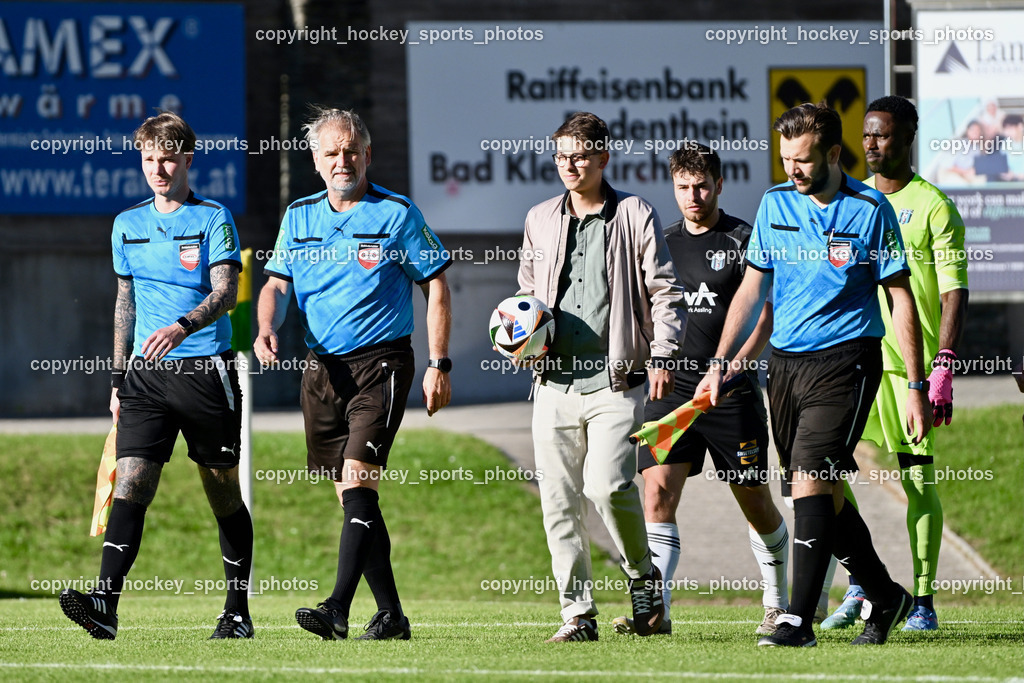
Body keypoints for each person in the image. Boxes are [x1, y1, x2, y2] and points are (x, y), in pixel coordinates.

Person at [699, 102, 931, 648]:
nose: (792, 170)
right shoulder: (774, 204)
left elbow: (900, 299)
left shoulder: (870, 210)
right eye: (784, 159)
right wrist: (721, 364)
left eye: (802, 160)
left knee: (809, 477)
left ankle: (797, 619)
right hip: (784, 366)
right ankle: (884, 593)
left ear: (832, 153)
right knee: (820, 491)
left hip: (847, 360)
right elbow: (752, 289)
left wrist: (918, 386)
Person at [255, 107, 452, 641]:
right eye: (331, 152)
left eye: (351, 151)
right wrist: (266, 326)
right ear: (316, 162)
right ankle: (391, 615)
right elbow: (275, 285)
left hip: (382, 364)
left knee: (360, 481)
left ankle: (337, 608)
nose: (342, 160)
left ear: (367, 155)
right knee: (351, 497)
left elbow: (435, 284)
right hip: (322, 373)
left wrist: (438, 364)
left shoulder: (396, 213)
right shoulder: (297, 216)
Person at [59, 112, 252, 640]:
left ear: (188, 158)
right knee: (133, 483)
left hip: (204, 372)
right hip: (145, 379)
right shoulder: (126, 224)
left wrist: (181, 327)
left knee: (223, 493)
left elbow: (225, 293)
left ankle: (237, 613)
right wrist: (118, 379)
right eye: (148, 159)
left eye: (167, 157)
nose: (158, 168)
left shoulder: (214, 217)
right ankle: (105, 606)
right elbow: (124, 302)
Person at [516, 111, 687, 642]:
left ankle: (643, 579)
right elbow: (524, 294)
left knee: (608, 486)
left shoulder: (634, 213)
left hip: (616, 383)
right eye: (562, 156)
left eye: (581, 155)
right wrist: (518, 334)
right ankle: (578, 615)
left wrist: (662, 355)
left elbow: (664, 292)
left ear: (604, 157)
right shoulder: (539, 218)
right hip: (552, 384)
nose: (570, 165)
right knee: (559, 502)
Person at [609, 144, 789, 637]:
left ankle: (778, 603)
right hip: (672, 390)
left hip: (731, 391)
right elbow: (647, 312)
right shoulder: (662, 243)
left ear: (720, 184)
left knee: (753, 499)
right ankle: (656, 610)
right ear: (673, 187)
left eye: (702, 185)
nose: (694, 196)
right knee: (656, 495)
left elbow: (764, 319)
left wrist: (732, 368)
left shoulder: (743, 240)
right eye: (684, 187)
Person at [820, 96, 969, 633]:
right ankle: (863, 583)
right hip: (853, 362)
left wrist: (943, 364)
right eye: (867, 135)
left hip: (912, 371)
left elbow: (954, 292)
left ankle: (924, 601)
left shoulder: (934, 206)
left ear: (908, 137)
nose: (872, 144)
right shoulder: (850, 201)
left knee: (918, 481)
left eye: (883, 135)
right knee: (830, 473)